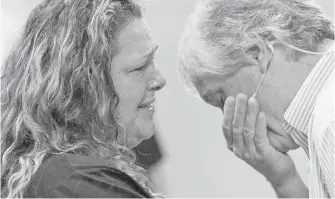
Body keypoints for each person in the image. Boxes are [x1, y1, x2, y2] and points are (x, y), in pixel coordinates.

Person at [1, 0, 166, 198]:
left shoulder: (59, 175)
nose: (159, 80)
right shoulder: (78, 183)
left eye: (152, 62)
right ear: (85, 86)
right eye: (139, 67)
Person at [177, 0, 334, 198]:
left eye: (223, 98)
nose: (232, 120)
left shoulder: (329, 122)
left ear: (257, 52)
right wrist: (285, 180)